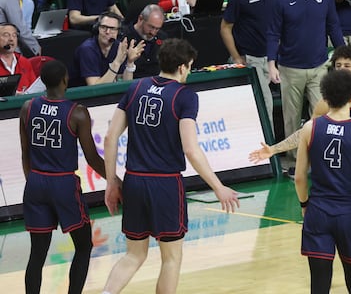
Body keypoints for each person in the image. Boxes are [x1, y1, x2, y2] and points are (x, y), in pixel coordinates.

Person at [250, 45, 351, 277]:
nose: (341, 69)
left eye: (346, 66)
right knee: (350, 213)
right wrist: (274, 149)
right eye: (337, 66)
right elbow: (306, 132)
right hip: (349, 164)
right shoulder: (329, 101)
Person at [101, 38, 240, 294]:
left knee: (134, 255)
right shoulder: (184, 96)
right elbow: (191, 149)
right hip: (164, 183)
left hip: (133, 180)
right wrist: (218, 186)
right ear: (184, 67)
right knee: (172, 258)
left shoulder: (136, 87)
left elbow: (110, 137)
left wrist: (111, 182)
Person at [19, 59, 113, 294]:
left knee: (37, 254)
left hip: (36, 182)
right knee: (83, 246)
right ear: (65, 80)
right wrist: (114, 180)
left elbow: (25, 153)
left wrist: (33, 181)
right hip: (63, 183)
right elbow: (92, 158)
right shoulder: (77, 113)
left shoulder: (27, 107)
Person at [292, 68, 351, 293]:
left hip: (318, 212)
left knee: (319, 287)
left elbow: (299, 177)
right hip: (350, 215)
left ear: (325, 97)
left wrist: (304, 205)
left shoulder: (310, 128)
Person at [266, 0, 344, 171]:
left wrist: (343, 54)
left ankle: (320, 159)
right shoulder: (281, 0)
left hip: (319, 66)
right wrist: (272, 64)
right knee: (291, 118)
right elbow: (273, 33)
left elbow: (334, 26)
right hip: (290, 68)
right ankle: (294, 162)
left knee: (321, 115)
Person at [220, 0, 277, 128]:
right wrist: (236, 57)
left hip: (271, 58)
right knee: (265, 104)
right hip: (251, 58)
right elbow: (225, 28)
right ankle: (270, 150)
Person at [71, 11, 144, 86]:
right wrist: (117, 62)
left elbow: (126, 85)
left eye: (112, 29)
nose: (107, 32)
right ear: (97, 28)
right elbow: (95, 89)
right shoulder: (87, 49)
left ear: (118, 32)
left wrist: (130, 63)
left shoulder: (118, 47)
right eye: (104, 27)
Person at [123, 4, 167, 78]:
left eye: (157, 29)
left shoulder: (162, 37)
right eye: (151, 27)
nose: (153, 32)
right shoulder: (124, 37)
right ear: (140, 19)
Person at [0, 22, 36, 93]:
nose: (11, 39)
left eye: (14, 35)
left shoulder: (24, 62)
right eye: (6, 35)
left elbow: (34, 90)